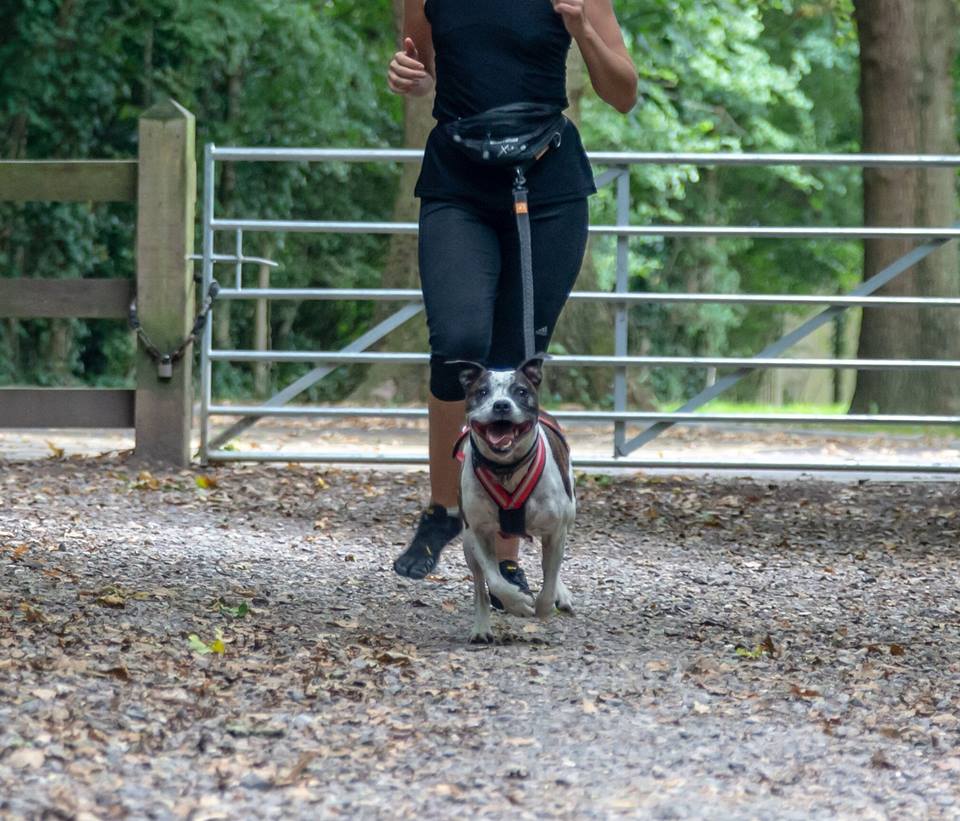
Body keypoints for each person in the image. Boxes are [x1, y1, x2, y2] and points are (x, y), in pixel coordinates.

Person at [388, 0, 637, 598]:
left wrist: (581, 31)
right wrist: (411, 78)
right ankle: (444, 510)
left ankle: (506, 551)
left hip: (546, 183)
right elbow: (419, 68)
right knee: (459, 344)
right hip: (458, 180)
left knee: (517, 355)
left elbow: (623, 92)